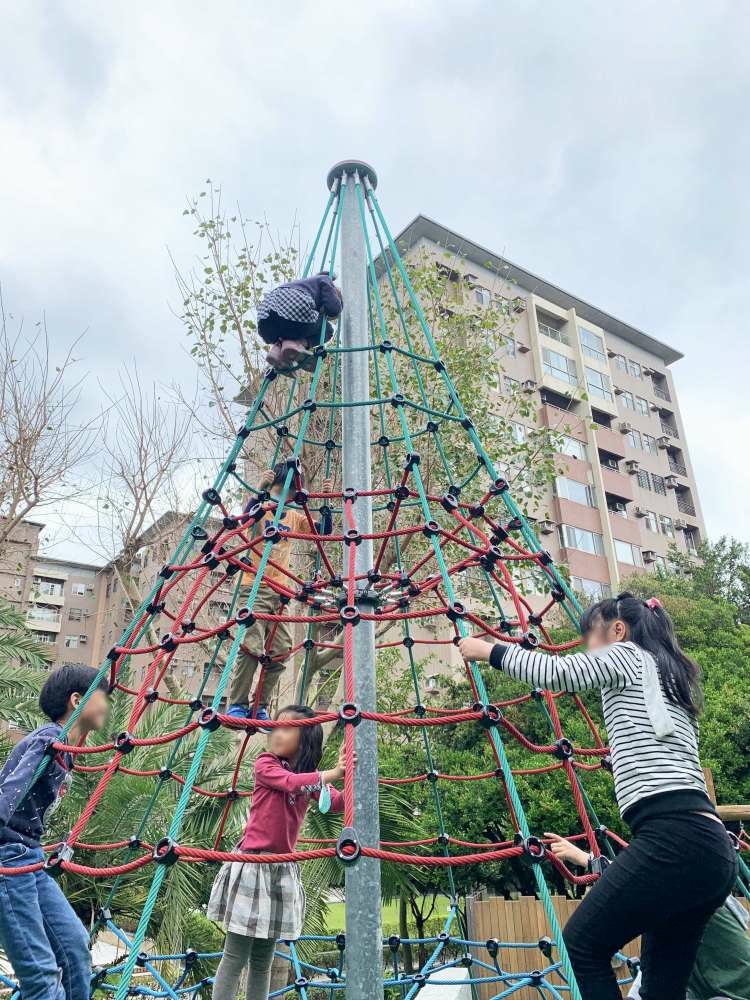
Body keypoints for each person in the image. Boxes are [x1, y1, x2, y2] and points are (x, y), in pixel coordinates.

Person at [459, 593, 739, 1000]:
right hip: (711, 850)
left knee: (581, 945)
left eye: (590, 635)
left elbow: (556, 672)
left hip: (673, 836)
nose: (587, 647)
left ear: (618, 630)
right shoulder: (669, 674)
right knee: (662, 988)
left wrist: (489, 650)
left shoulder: (626, 654)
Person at [208, 705, 350, 1000]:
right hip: (253, 864)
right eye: (276, 726)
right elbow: (289, 784)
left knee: (263, 959)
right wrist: (331, 773)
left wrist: (350, 774)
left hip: (280, 869)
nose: (276, 732)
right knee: (235, 955)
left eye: (287, 728)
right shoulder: (266, 764)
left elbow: (333, 804)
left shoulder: (308, 776)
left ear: (306, 737)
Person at [0, 664, 110, 1000]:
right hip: (8, 860)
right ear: (77, 700)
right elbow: (9, 792)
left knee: (75, 947)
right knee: (42, 975)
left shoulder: (67, 749)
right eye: (103, 695)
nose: (107, 704)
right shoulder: (49, 741)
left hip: (30, 854)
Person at [546, 833, 750, 1000]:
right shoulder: (664, 911)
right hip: (701, 987)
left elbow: (648, 881)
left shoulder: (694, 893)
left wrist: (588, 860)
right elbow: (653, 969)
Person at [227, 462, 333, 722]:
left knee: (282, 649)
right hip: (254, 586)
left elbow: (324, 531)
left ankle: (259, 705)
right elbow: (246, 517)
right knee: (251, 645)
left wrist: (327, 501)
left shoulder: (295, 516)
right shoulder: (262, 509)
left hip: (279, 592)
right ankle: (237, 703)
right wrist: (260, 490)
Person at [259, 272, 343, 372]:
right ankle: (296, 344)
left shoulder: (303, 284)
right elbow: (333, 308)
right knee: (327, 329)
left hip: (265, 319)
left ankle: (276, 352)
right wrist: (336, 308)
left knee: (288, 328)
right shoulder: (325, 280)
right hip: (294, 310)